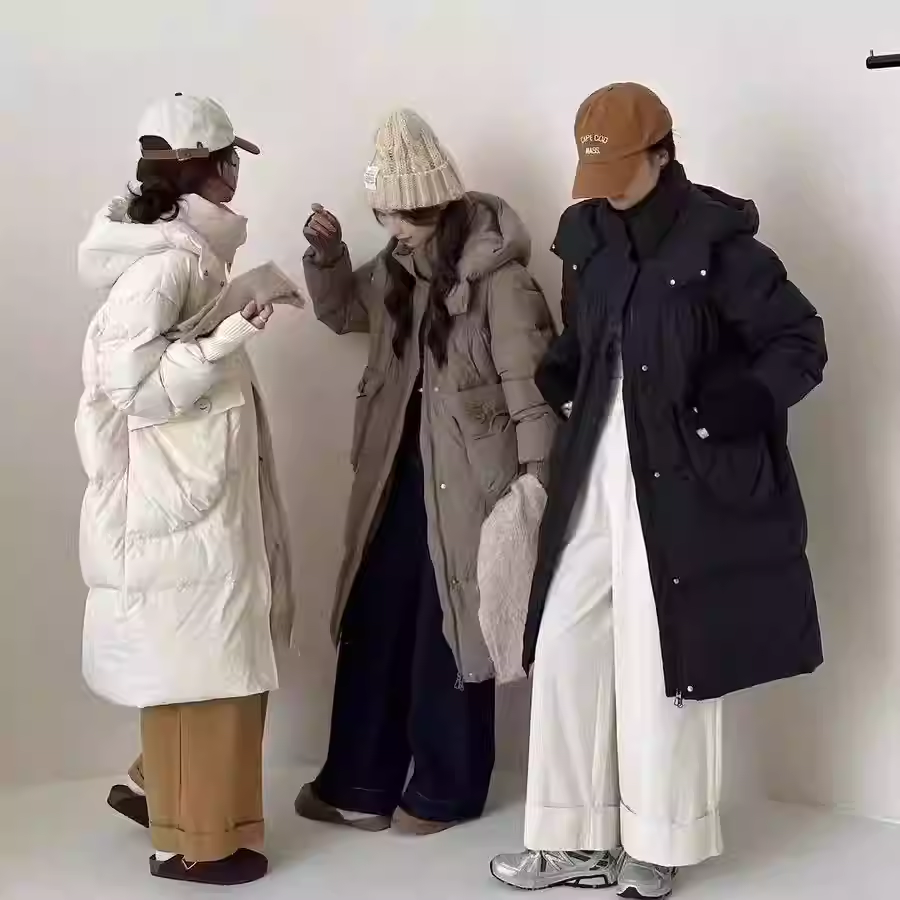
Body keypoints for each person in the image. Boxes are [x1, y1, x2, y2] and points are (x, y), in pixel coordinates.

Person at [491, 83, 826, 897]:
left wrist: (743, 401)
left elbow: (799, 339)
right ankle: (572, 839)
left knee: (660, 652)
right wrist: (564, 371)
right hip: (594, 466)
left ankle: (659, 841)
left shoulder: (720, 243)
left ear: (663, 153)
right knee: (565, 639)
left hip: (681, 474)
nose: (605, 191)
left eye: (619, 171)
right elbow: (588, 333)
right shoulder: (588, 236)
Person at [295, 109, 557, 834]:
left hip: (472, 483)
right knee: (375, 616)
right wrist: (327, 256)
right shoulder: (395, 271)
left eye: (401, 215)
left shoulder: (502, 282)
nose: (392, 228)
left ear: (436, 203)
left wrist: (536, 486)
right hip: (396, 476)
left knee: (453, 624)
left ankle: (447, 790)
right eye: (383, 215)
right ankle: (358, 784)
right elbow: (342, 314)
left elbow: (532, 388)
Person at [76, 94, 294, 887]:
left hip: (189, 485)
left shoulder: (188, 253)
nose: (239, 174)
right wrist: (230, 334)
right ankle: (193, 838)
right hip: (177, 495)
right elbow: (129, 385)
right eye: (232, 159)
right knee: (204, 662)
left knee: (215, 653)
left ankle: (167, 796)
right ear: (209, 169)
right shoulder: (168, 263)